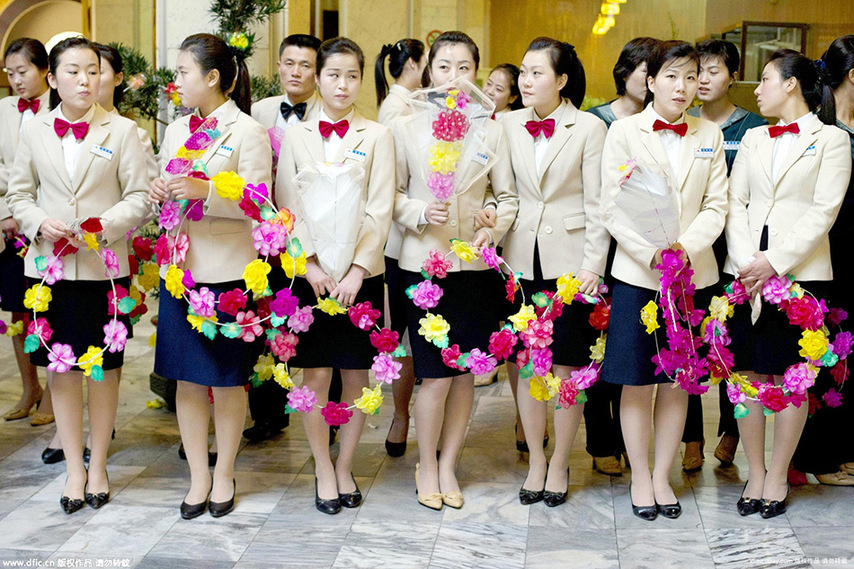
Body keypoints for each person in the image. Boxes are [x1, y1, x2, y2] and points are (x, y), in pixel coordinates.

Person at [6, 36, 152, 513]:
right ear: (52, 78)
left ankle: (100, 465)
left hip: (101, 269)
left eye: (92, 70)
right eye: (72, 71)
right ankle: (73, 469)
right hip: (47, 269)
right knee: (61, 370)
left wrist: (103, 227)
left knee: (103, 370)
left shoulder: (122, 131)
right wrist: (37, 223)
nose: (84, 80)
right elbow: (19, 194)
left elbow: (139, 198)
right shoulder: (35, 129)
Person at [600, 40, 728, 521]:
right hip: (638, 274)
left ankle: (662, 476)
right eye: (672, 76)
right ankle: (639, 476)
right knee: (636, 381)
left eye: (691, 77)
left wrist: (683, 249)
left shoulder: (709, 134)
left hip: (692, 277)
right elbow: (610, 205)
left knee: (678, 380)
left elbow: (718, 204)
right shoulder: (624, 132)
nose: (682, 86)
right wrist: (651, 252)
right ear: (650, 81)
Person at [149, 33, 272, 520]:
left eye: (182, 73)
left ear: (212, 77)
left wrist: (207, 192)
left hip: (226, 273)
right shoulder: (178, 130)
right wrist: (162, 188)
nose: (175, 82)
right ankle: (198, 475)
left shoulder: (246, 132)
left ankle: (224, 473)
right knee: (184, 380)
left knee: (225, 380)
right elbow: (168, 190)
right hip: (181, 270)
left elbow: (261, 204)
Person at [393, 30, 518, 510]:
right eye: (444, 66)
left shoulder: (491, 129)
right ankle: (426, 463)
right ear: (430, 72)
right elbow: (391, 198)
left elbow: (504, 197)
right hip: (424, 265)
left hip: (474, 266)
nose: (453, 77)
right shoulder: (406, 128)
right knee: (435, 375)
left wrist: (492, 225)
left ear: (477, 73)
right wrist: (421, 212)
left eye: (464, 67)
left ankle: (449, 463)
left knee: (466, 373)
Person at [725, 49, 850, 517]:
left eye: (764, 80)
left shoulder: (831, 140)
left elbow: (824, 211)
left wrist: (774, 262)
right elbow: (734, 203)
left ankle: (778, 475)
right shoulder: (753, 137)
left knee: (790, 378)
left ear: (792, 84)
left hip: (799, 275)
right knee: (749, 378)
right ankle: (753, 473)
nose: (756, 89)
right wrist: (745, 263)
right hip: (744, 276)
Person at [277, 37, 395, 515]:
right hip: (310, 277)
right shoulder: (296, 136)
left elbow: (379, 208)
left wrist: (357, 270)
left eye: (352, 76)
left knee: (355, 374)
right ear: (317, 78)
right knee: (315, 372)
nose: (342, 85)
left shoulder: (377, 136)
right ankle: (322, 467)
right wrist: (308, 265)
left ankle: (345, 463)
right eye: (333, 75)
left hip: (359, 278)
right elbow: (286, 206)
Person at [502, 37, 608, 507]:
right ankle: (536, 462)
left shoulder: (587, 128)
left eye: (537, 72)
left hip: (571, 265)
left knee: (567, 367)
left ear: (562, 80)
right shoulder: (504, 125)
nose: (525, 81)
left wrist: (592, 265)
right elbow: (502, 194)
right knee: (528, 365)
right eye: (522, 71)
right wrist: (490, 224)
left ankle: (562, 460)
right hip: (520, 262)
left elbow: (599, 205)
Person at [681, 39, 768, 471]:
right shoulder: (684, 123)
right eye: (698, 72)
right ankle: (691, 437)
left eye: (713, 71)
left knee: (730, 348)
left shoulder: (752, 127)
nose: (702, 80)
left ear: (733, 75)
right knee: (693, 345)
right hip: (689, 252)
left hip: (735, 252)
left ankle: (732, 431)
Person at [583, 36, 658, 476]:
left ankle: (636, 441)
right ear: (625, 72)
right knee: (598, 347)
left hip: (646, 253)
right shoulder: (600, 122)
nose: (649, 80)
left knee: (635, 350)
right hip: (602, 245)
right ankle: (602, 439)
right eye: (644, 70)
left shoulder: (668, 122)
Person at [247, 33, 322, 443]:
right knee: (264, 322)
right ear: (278, 65)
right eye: (289, 63)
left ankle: (321, 415)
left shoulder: (328, 115)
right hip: (263, 235)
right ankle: (268, 414)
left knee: (309, 322)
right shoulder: (257, 112)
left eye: (305, 65)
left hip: (311, 234)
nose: (296, 72)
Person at [792, 34, 854, 486]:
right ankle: (817, 455)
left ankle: (842, 450)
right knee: (825, 355)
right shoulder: (818, 132)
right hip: (826, 256)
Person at [0, 38, 56, 435]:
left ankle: (55, 395)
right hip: (9, 229)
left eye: (22, 72)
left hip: (49, 228)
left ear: (43, 70)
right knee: (18, 310)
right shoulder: (2, 111)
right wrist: (6, 212)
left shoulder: (63, 108)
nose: (16, 81)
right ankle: (29, 389)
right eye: (9, 74)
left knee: (49, 312)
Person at [374, 37, 426, 457]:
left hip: (436, 239)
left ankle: (413, 416)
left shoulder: (419, 105)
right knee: (402, 336)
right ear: (414, 64)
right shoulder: (398, 110)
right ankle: (401, 413)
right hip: (402, 240)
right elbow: (390, 186)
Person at [588, 37, 658, 127]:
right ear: (625, 73)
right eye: (646, 71)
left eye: (658, 73)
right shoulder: (593, 119)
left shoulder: (661, 121)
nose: (652, 81)